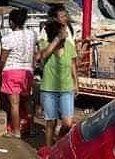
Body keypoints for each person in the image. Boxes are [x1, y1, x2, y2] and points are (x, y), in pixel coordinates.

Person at [0, 8, 37, 138]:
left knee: (14, 104)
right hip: (28, 71)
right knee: (27, 101)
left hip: (12, 71)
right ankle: (30, 128)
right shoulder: (32, 35)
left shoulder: (8, 38)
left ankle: (16, 131)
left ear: (11, 22)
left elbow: (2, 59)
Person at [39, 19, 78, 147]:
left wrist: (76, 83)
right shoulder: (44, 44)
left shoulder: (69, 46)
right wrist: (57, 40)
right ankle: (49, 148)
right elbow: (43, 55)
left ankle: (60, 143)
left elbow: (73, 65)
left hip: (66, 88)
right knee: (51, 122)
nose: (66, 33)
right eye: (63, 31)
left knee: (67, 123)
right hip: (49, 89)